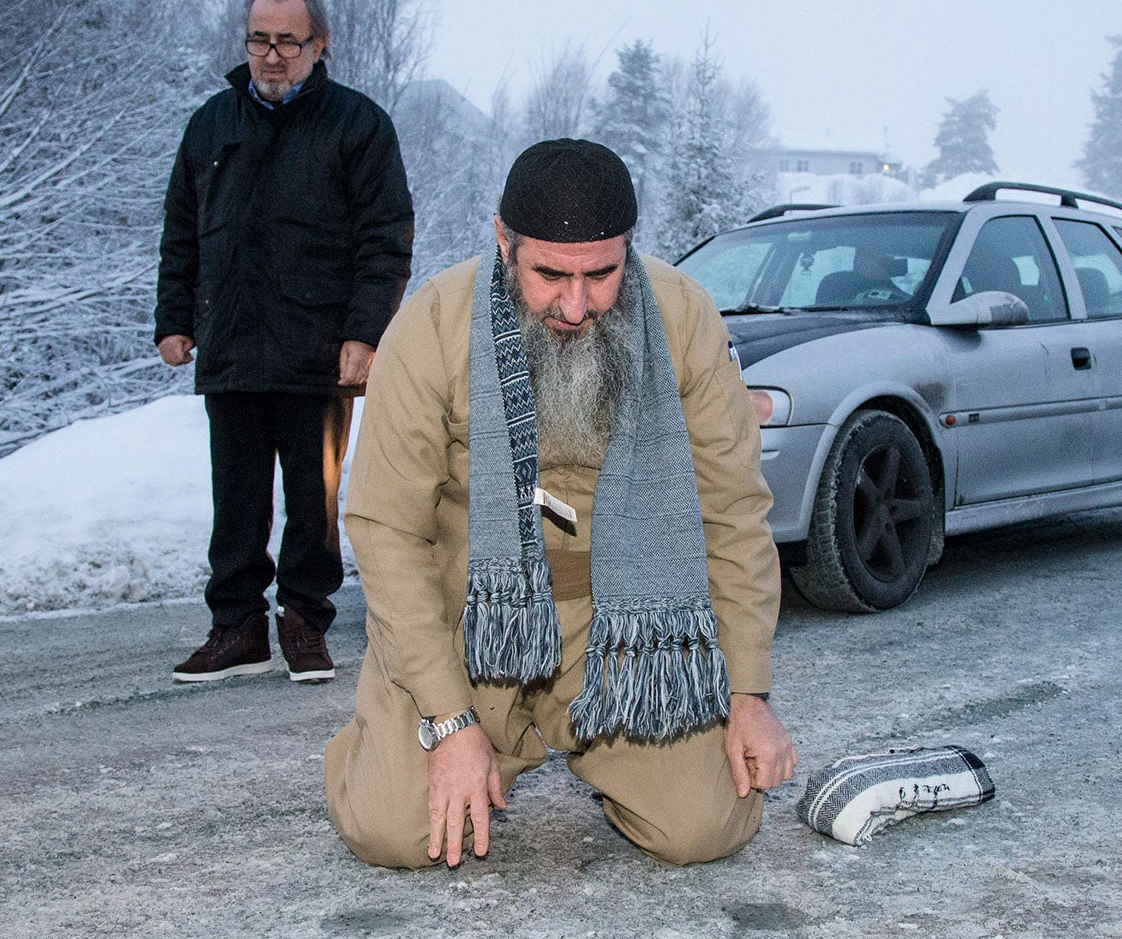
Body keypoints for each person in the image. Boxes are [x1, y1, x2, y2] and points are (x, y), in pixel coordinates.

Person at [325, 139, 796, 868]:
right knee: (390, 833)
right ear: (503, 244)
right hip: (471, 625)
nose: (575, 306)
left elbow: (733, 512)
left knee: (708, 825)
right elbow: (384, 529)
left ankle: (590, 737)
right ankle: (387, 735)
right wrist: (448, 720)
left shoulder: (685, 318)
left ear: (628, 253)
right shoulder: (430, 327)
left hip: (623, 633)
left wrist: (747, 690)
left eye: (602, 275)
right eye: (550, 274)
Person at [154, 0, 413, 685]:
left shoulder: (356, 125)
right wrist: (174, 319)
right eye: (259, 40)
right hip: (232, 344)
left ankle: (304, 621)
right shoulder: (211, 124)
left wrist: (365, 333)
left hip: (317, 349)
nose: (271, 56)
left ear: (318, 45)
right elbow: (181, 231)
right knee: (234, 496)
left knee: (313, 500)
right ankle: (236, 628)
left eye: (287, 42)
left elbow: (385, 238)